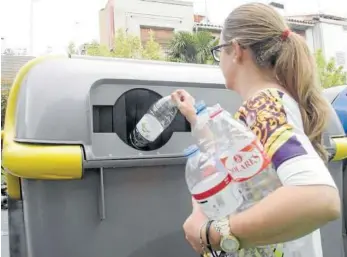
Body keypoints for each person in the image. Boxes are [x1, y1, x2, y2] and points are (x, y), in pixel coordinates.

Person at [171, 3, 341, 257]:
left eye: (219, 51)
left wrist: (214, 234)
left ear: (237, 50)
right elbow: (254, 170)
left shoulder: (263, 106)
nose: (220, 63)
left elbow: (319, 198)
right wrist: (197, 120)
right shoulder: (269, 104)